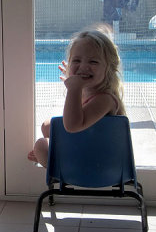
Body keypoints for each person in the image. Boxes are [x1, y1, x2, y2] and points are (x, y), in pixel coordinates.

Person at [28, 28, 126, 167]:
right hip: (87, 147)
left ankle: (62, 170)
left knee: (41, 145)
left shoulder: (105, 99)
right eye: (76, 60)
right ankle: (58, 161)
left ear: (108, 68)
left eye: (93, 62)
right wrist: (75, 83)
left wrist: (74, 89)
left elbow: (73, 125)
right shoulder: (89, 92)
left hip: (100, 163)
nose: (83, 66)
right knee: (47, 126)